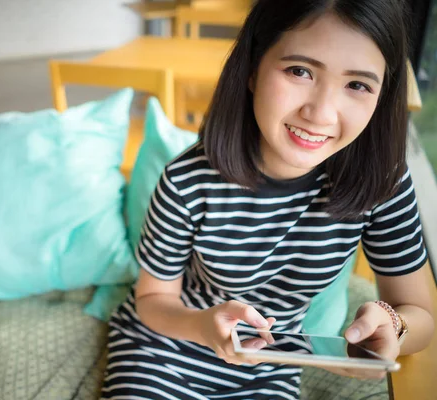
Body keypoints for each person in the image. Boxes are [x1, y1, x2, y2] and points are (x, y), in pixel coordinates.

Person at [100, 0, 435, 398]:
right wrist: (205, 327)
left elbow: (421, 316)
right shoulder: (187, 180)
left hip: (275, 359)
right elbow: (153, 300)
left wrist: (393, 327)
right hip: (169, 344)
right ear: (253, 69)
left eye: (357, 84)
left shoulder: (383, 183)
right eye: (300, 71)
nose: (321, 113)